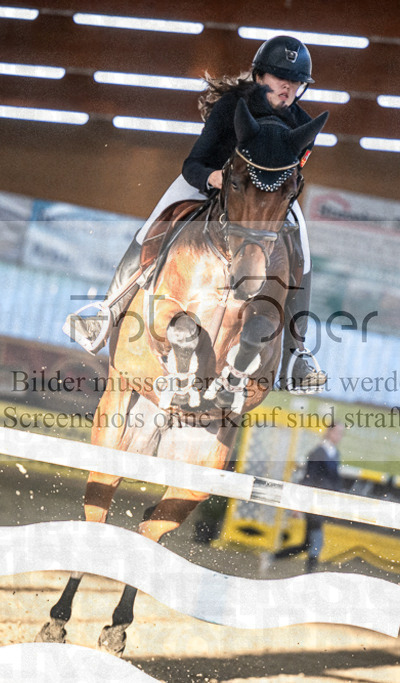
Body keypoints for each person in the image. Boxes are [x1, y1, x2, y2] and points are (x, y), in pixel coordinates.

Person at [63, 35, 327, 391]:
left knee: (303, 249)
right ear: (261, 75)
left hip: (263, 203)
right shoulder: (231, 105)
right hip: (211, 183)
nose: (289, 87)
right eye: (283, 78)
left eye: (296, 82)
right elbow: (193, 163)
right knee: (157, 219)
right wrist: (212, 176)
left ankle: (298, 351)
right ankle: (107, 311)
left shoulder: (302, 126)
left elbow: (293, 178)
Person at [274, 422, 344, 571]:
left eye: (341, 433)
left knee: (307, 544)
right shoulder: (317, 453)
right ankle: (310, 575)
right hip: (313, 501)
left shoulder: (334, 453)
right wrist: (298, 505)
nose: (339, 436)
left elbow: (335, 482)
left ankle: (272, 557)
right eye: (337, 432)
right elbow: (308, 478)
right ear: (329, 432)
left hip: (324, 502)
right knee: (317, 541)